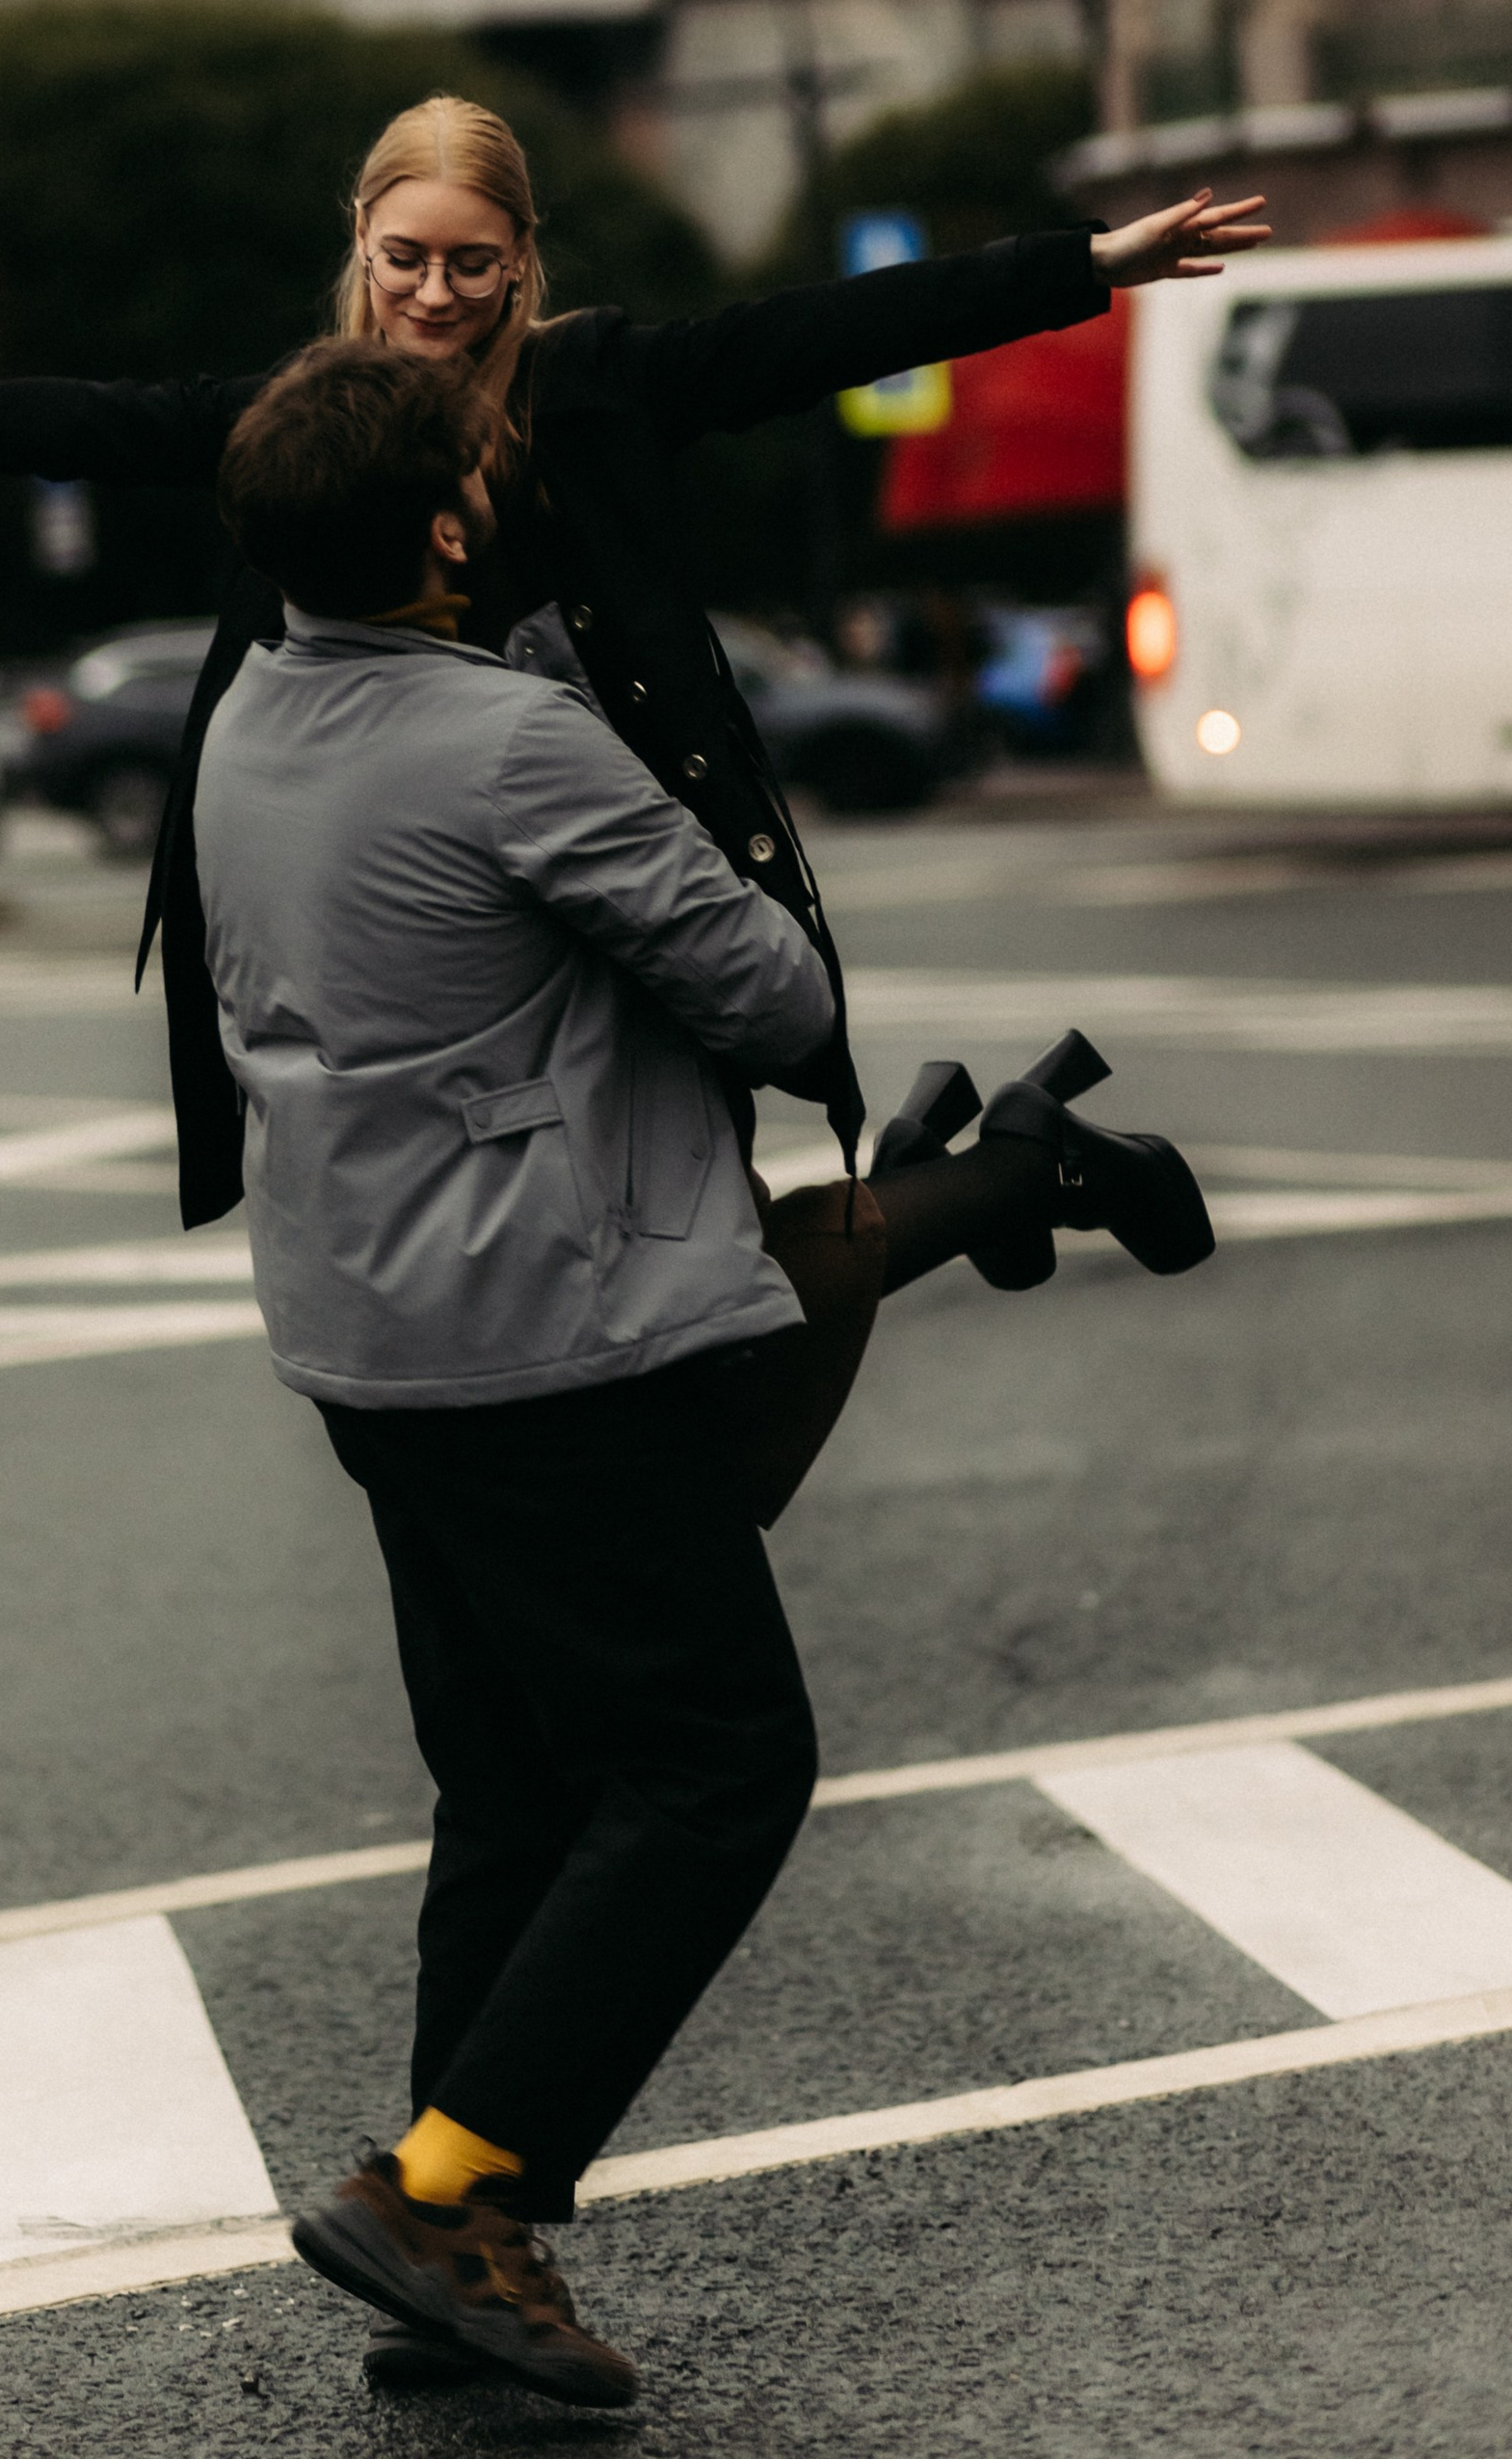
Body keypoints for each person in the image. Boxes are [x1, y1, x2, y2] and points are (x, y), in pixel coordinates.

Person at [189, 339, 1212, 2405]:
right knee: (714, 1759)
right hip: (529, 1333)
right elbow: (768, 991)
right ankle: (439, 2186)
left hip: (366, 1336)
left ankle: (456, 2254)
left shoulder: (238, 722)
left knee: (513, 1782)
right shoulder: (502, 739)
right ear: (447, 529)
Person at [0, 93, 1269, 1276]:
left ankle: (966, 1185)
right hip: (423, 890)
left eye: (476, 263)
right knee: (606, 1266)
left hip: (606, 853)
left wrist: (1086, 267)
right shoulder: (307, 420)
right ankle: (958, 1185)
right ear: (359, 243)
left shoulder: (594, 387)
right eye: (404, 258)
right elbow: (95, 421)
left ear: (527, 258)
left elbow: (827, 334)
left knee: (692, 1252)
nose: (436, 294)